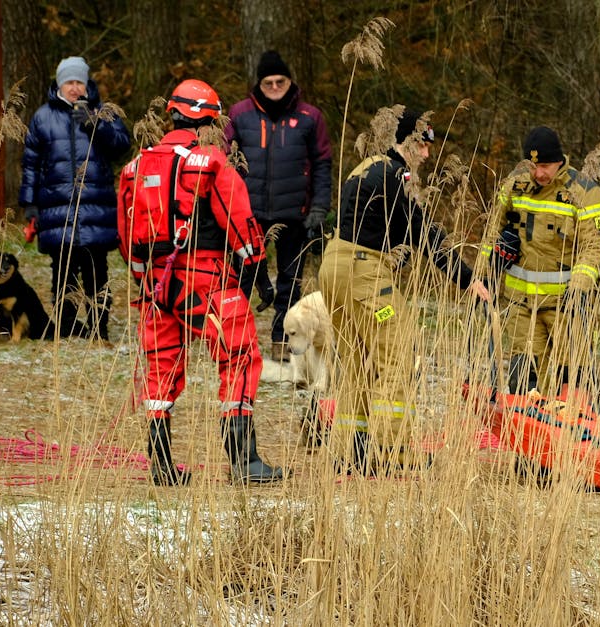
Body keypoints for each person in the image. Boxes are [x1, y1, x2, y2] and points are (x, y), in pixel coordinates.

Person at [117, 79, 285, 486]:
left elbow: (126, 240)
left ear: (171, 113)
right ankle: (244, 461)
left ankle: (161, 465)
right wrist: (259, 274)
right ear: (209, 118)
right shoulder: (209, 161)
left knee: (159, 369)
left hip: (156, 286)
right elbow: (241, 223)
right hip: (206, 280)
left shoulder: (134, 168)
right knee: (239, 356)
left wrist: (145, 282)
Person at [319, 107, 490, 475]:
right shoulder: (399, 175)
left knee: (357, 362)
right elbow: (425, 233)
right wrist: (466, 279)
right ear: (407, 142)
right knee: (399, 350)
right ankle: (391, 451)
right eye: (423, 145)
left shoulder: (365, 168)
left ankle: (353, 450)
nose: (428, 153)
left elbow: (392, 229)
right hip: (365, 277)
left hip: (333, 271)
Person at [481, 126, 600, 404]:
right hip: (519, 302)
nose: (539, 174)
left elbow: (593, 246)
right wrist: (483, 276)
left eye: (546, 166)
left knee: (572, 376)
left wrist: (580, 289)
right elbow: (492, 231)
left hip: (564, 305)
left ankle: (576, 439)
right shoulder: (514, 184)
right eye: (534, 166)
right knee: (524, 378)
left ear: (560, 161)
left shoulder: (583, 190)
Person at [224, 50, 333, 363]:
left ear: (290, 81)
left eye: (280, 81)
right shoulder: (240, 114)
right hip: (248, 214)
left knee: (290, 281)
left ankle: (281, 341)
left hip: (293, 214)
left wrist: (318, 209)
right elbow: (224, 161)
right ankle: (236, 344)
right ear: (259, 83)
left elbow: (323, 165)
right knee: (242, 280)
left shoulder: (311, 117)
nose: (274, 86)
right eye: (268, 81)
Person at [19, 56, 131, 341]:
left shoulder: (103, 112)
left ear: (86, 83)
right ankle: (66, 329)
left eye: (79, 82)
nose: (75, 88)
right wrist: (30, 205)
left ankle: (98, 330)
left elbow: (122, 147)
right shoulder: (43, 116)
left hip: (96, 207)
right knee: (63, 273)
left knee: (97, 273)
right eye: (69, 82)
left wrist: (95, 124)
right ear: (59, 84)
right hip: (58, 210)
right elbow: (31, 164)